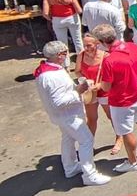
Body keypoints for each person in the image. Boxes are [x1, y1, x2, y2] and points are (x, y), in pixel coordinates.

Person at [34, 41, 111, 185]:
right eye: (65, 52)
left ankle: (70, 167)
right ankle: (90, 175)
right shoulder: (53, 76)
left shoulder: (46, 70)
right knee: (86, 140)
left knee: (68, 138)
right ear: (60, 55)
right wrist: (79, 91)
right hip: (69, 115)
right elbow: (58, 102)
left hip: (62, 116)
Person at [92, 24, 137, 173]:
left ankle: (133, 162)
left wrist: (98, 85)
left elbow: (106, 87)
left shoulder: (109, 60)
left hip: (121, 101)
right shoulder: (133, 47)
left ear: (102, 42)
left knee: (126, 131)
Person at [75, 33, 122, 155]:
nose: (86, 48)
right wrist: (84, 81)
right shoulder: (81, 55)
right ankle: (89, 143)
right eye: (84, 45)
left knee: (112, 116)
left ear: (97, 44)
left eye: (89, 45)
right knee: (91, 118)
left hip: (104, 91)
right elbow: (77, 71)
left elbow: (112, 76)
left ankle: (119, 138)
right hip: (89, 92)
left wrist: (100, 85)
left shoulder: (105, 56)